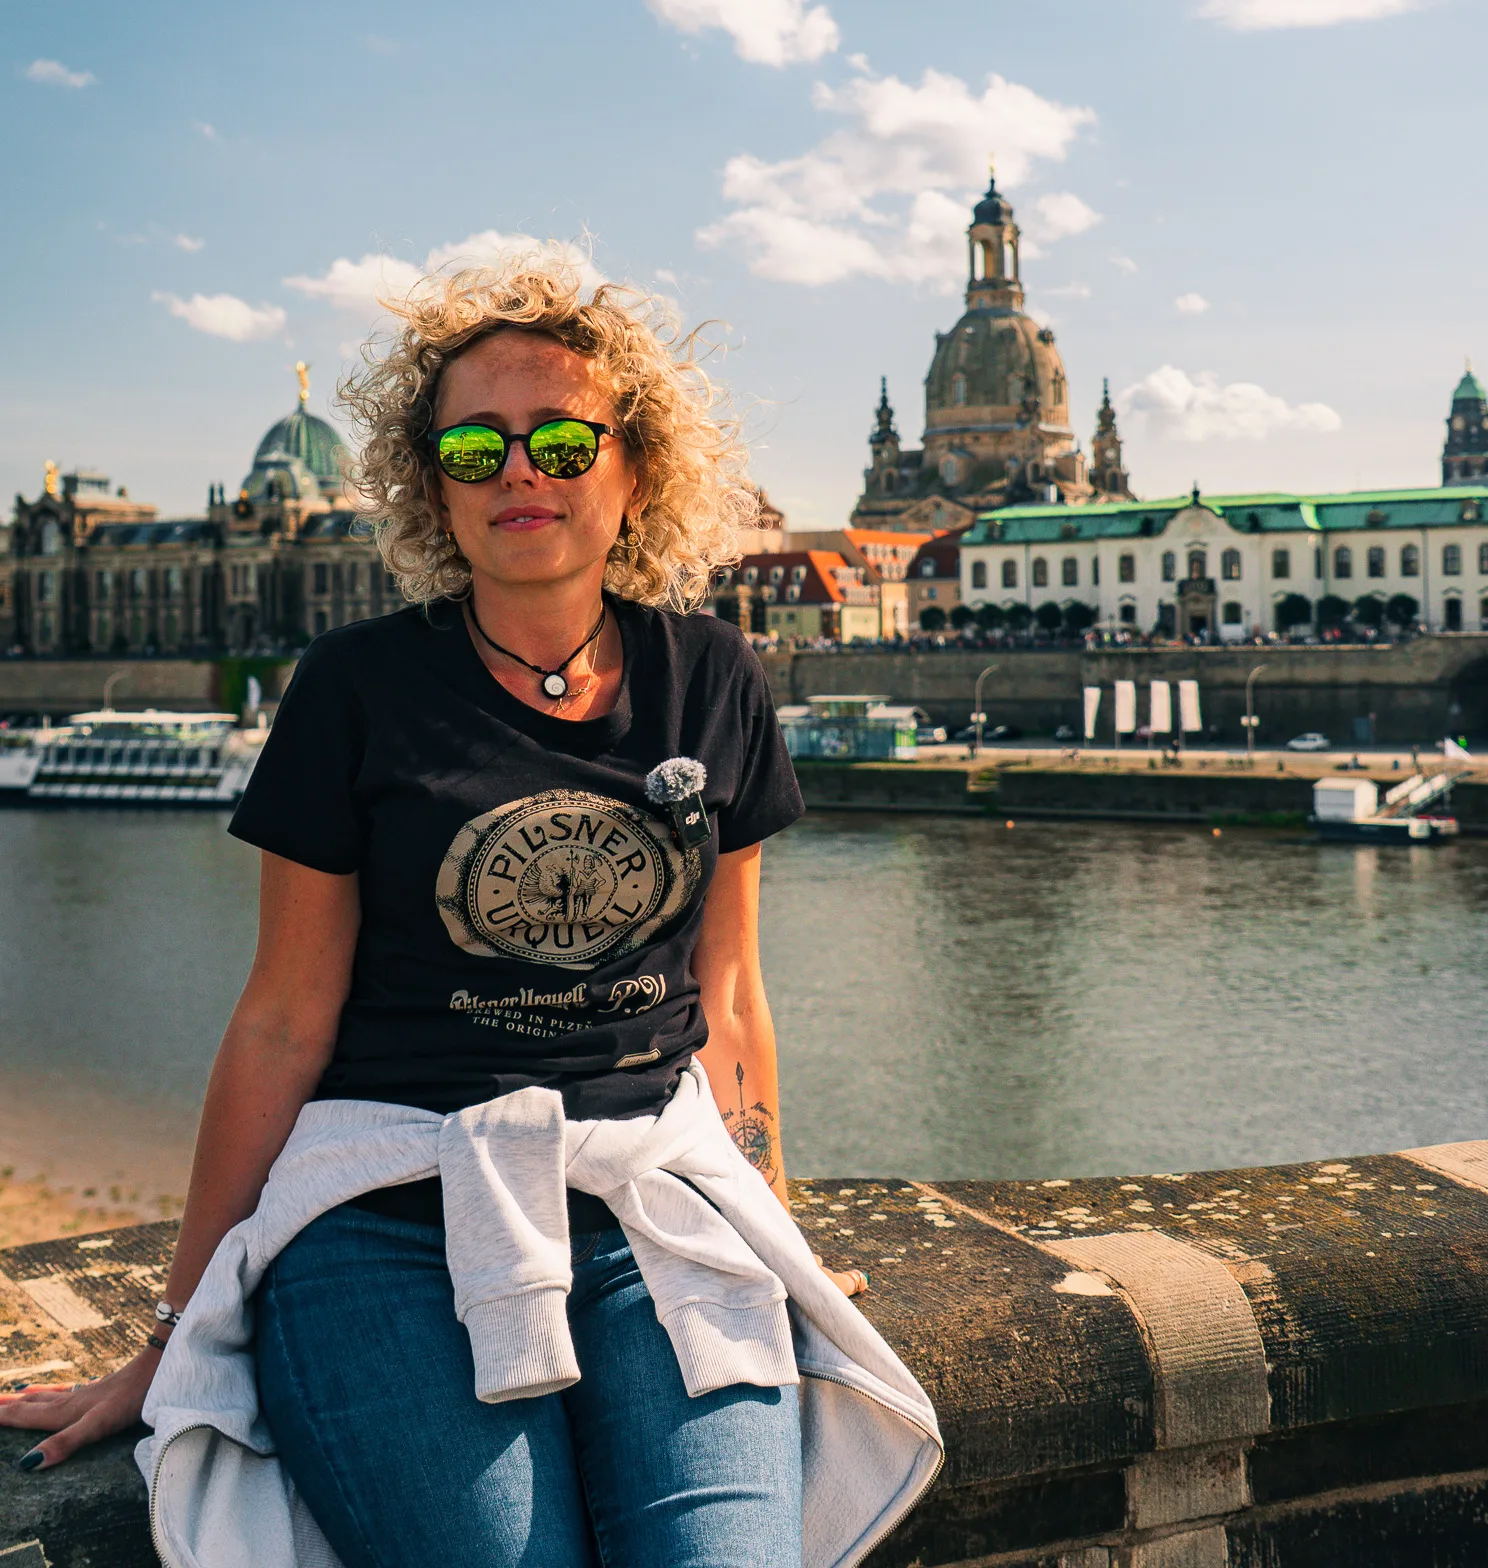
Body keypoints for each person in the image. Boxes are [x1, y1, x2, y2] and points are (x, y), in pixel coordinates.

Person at [2, 249, 914, 1568]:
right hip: (377, 1214)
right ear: (433, 487)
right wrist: (174, 1336)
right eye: (475, 448)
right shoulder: (354, 685)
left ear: (634, 467)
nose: (519, 474)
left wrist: (774, 1224)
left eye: (559, 439)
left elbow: (725, 999)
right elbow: (279, 1026)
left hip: (647, 1198)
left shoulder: (712, 674)